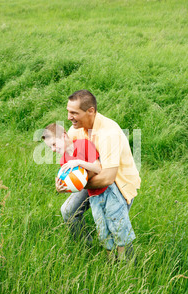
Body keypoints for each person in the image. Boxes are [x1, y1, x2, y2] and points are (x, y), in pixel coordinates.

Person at [55, 90, 141, 261]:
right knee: (68, 212)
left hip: (117, 183)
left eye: (74, 113)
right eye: (68, 111)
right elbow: (69, 162)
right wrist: (63, 182)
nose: (69, 117)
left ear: (91, 111)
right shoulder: (75, 130)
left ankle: (129, 267)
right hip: (92, 177)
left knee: (117, 227)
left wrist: (75, 184)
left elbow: (108, 178)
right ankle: (86, 249)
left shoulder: (108, 133)